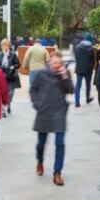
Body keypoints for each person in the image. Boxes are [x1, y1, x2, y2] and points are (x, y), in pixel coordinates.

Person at [30, 51, 73, 186]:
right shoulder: (41, 74)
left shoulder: (64, 74)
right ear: (49, 62)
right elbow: (33, 90)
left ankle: (57, 173)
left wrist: (65, 76)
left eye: (59, 63)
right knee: (41, 143)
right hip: (44, 112)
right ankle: (40, 160)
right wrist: (37, 104)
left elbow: (71, 89)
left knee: (60, 143)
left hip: (59, 112)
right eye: (54, 62)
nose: (56, 65)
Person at [0, 39, 21, 115]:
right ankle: (5, 106)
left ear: (9, 46)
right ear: (1, 46)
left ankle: (7, 104)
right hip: (2, 77)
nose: (5, 46)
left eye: (6, 45)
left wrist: (13, 67)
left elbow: (18, 64)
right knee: (2, 93)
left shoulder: (13, 54)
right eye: (3, 45)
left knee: (10, 93)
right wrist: (3, 68)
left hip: (11, 76)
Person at [73, 33, 96, 108]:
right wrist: (92, 67)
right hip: (88, 70)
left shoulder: (77, 47)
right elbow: (93, 60)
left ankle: (77, 102)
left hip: (79, 69)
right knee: (88, 85)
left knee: (78, 85)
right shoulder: (92, 48)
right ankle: (87, 98)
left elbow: (76, 58)